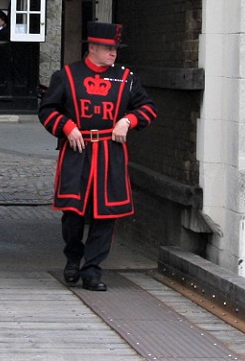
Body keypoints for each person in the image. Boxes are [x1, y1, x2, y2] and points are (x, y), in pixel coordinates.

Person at [38, 21, 156, 291]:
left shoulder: (126, 78)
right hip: (77, 152)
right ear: (92, 47)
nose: (113, 52)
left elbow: (148, 107)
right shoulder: (67, 76)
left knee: (106, 214)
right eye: (108, 48)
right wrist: (67, 127)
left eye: (115, 48)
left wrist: (128, 120)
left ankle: (92, 269)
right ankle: (73, 257)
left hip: (109, 153)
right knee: (73, 213)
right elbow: (47, 109)